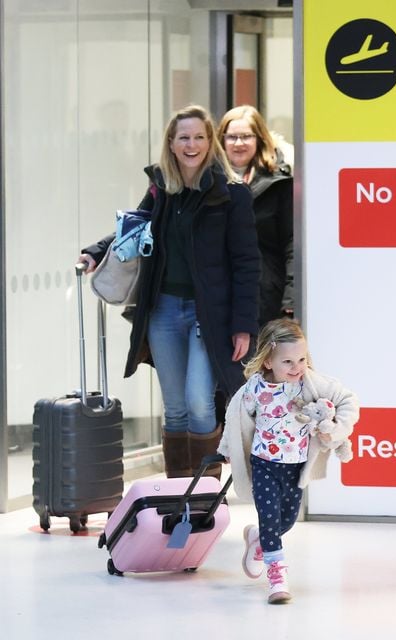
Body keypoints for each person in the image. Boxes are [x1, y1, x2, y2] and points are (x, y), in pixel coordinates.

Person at [78, 104, 261, 479]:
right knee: (175, 406)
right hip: (162, 310)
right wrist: (97, 251)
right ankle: (179, 494)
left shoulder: (231, 194)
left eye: (198, 137)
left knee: (199, 401)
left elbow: (247, 263)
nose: (191, 145)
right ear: (172, 144)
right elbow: (133, 227)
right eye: (183, 138)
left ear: (210, 142)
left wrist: (244, 325)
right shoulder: (163, 188)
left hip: (206, 314)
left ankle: (204, 492)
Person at [217, 318, 359, 604]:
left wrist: (337, 429)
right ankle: (277, 577)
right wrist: (228, 449)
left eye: (302, 359)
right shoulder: (254, 390)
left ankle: (257, 538)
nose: (297, 368)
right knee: (270, 520)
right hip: (264, 464)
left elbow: (347, 401)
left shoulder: (309, 384)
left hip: (295, 466)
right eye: (288, 362)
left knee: (287, 519)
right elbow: (235, 420)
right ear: (268, 362)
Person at [217, 105, 294, 326]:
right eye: (232, 137)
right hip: (216, 296)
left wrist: (291, 298)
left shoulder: (278, 182)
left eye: (246, 137)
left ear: (259, 139)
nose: (238, 143)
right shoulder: (207, 181)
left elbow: (291, 244)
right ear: (221, 140)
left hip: (264, 297)